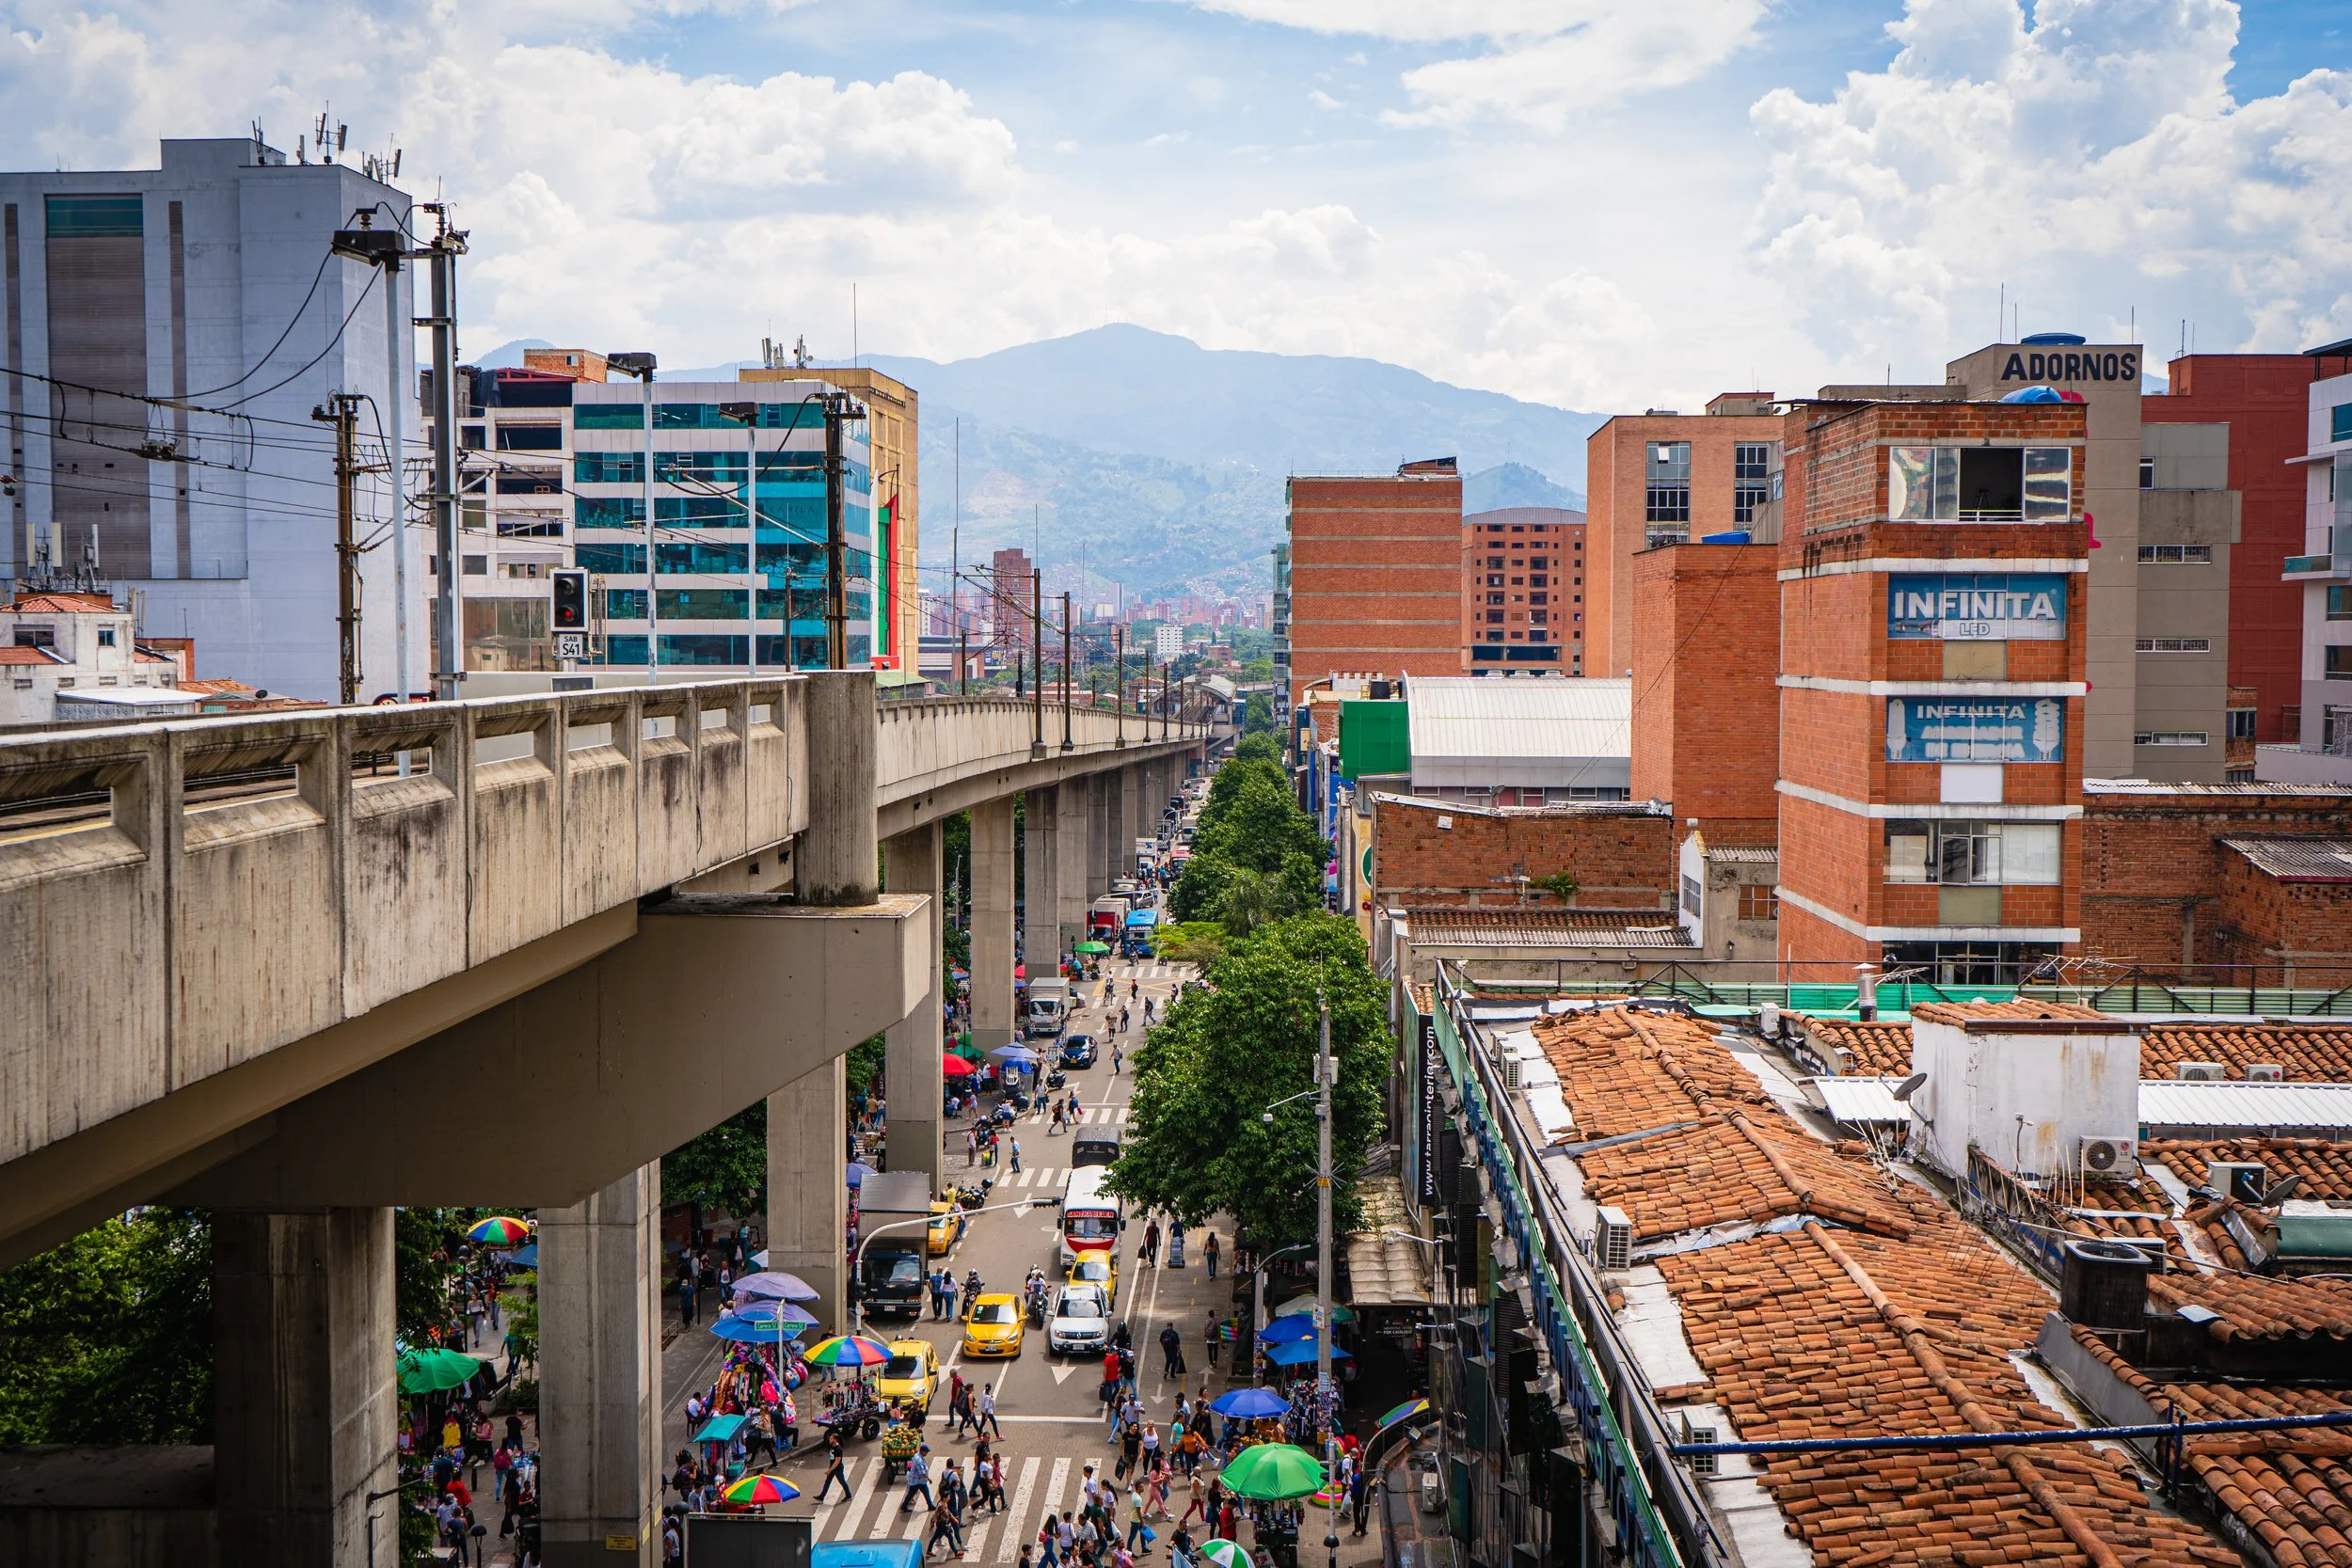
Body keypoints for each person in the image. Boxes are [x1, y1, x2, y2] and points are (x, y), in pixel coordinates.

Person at [815, 1428, 852, 1502]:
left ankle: (849, 1495)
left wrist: (830, 1470)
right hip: (833, 1468)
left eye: (831, 1439)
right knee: (827, 1481)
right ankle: (822, 1496)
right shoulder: (833, 1446)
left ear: (835, 1440)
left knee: (842, 1482)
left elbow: (837, 1461)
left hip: (837, 1469)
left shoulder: (838, 1449)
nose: (829, 1440)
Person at [901, 1445, 935, 1513]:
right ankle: (904, 1506)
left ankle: (930, 1505)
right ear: (922, 1451)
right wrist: (929, 1479)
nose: (927, 1453)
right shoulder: (919, 1460)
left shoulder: (918, 1456)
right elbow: (921, 1472)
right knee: (912, 1494)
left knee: (925, 1492)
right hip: (917, 1481)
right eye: (926, 1452)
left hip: (919, 1480)